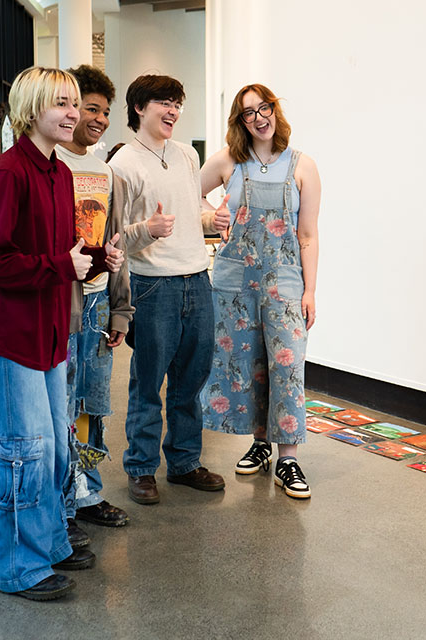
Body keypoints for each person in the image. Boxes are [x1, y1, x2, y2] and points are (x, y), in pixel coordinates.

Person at [0, 66, 122, 602]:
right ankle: (17, 567)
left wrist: (99, 257)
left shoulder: (60, 173)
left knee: (57, 449)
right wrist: (63, 266)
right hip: (11, 337)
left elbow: (66, 252)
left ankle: (51, 541)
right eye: (61, 103)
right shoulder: (9, 173)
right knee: (23, 451)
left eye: (75, 103)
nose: (73, 113)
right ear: (31, 107)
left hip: (51, 333)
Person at [108, 74, 231, 505]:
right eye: (164, 101)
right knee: (148, 382)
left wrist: (209, 221)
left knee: (191, 380)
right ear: (140, 107)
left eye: (177, 102)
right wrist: (148, 229)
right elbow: (114, 236)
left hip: (197, 280)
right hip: (151, 286)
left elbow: (189, 211)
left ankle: (183, 462)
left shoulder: (186, 155)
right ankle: (141, 469)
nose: (173, 110)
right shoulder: (122, 164)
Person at [199, 84, 321, 500]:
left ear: (275, 110)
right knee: (248, 364)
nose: (258, 118)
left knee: (287, 368)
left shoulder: (303, 166)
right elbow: (184, 192)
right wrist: (208, 215)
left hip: (285, 281)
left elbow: (307, 235)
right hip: (235, 282)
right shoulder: (230, 160)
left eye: (263, 108)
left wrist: (310, 291)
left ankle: (288, 459)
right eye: (248, 113)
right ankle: (261, 444)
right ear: (241, 122)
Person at [55, 65, 132, 538]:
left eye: (105, 111)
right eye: (90, 108)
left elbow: (117, 245)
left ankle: (88, 493)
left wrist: (121, 309)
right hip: (62, 306)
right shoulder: (53, 166)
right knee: (59, 404)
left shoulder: (106, 174)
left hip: (100, 306)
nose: (99, 118)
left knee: (92, 404)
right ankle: (60, 500)